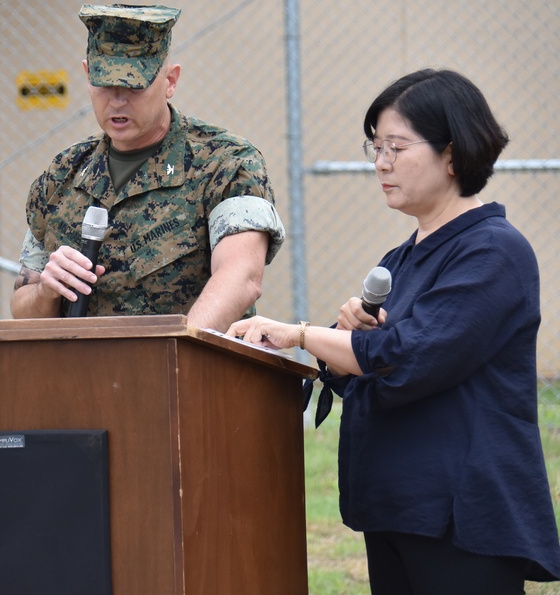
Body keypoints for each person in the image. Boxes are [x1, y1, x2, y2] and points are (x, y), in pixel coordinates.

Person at [227, 69, 560, 592]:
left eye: (397, 147)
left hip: (460, 516)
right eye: (375, 147)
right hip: (397, 506)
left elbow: (410, 356)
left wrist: (302, 334)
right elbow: (369, 370)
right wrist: (346, 337)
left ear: (452, 153)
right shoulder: (400, 259)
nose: (381, 163)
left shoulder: (493, 250)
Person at [11, 3, 285, 330]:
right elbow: (22, 306)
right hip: (81, 375)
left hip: (189, 372)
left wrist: (173, 352)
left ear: (170, 81)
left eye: (133, 85)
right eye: (104, 84)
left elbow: (241, 278)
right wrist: (46, 290)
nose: (117, 100)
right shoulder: (63, 174)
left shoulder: (226, 163)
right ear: (87, 75)